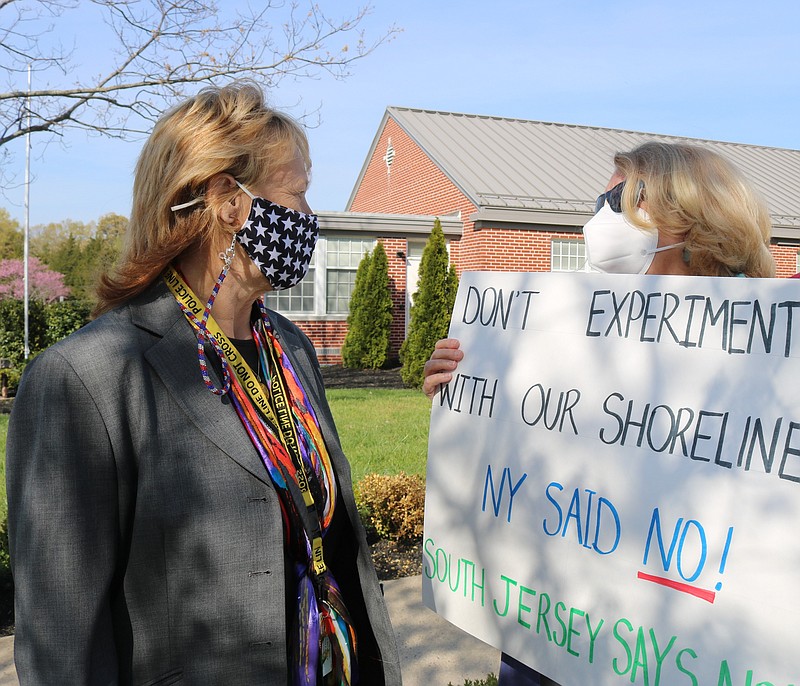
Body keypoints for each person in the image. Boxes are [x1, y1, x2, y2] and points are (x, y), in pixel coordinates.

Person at [6, 81, 402, 685]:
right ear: (227, 200)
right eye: (295, 195)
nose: (308, 219)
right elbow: (64, 646)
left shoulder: (289, 347)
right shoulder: (87, 379)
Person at [423, 141, 776, 686]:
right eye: (598, 199)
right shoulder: (559, 330)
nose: (599, 216)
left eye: (619, 198)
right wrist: (462, 385)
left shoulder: (770, 358)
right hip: (552, 637)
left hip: (675, 650)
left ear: (690, 218)